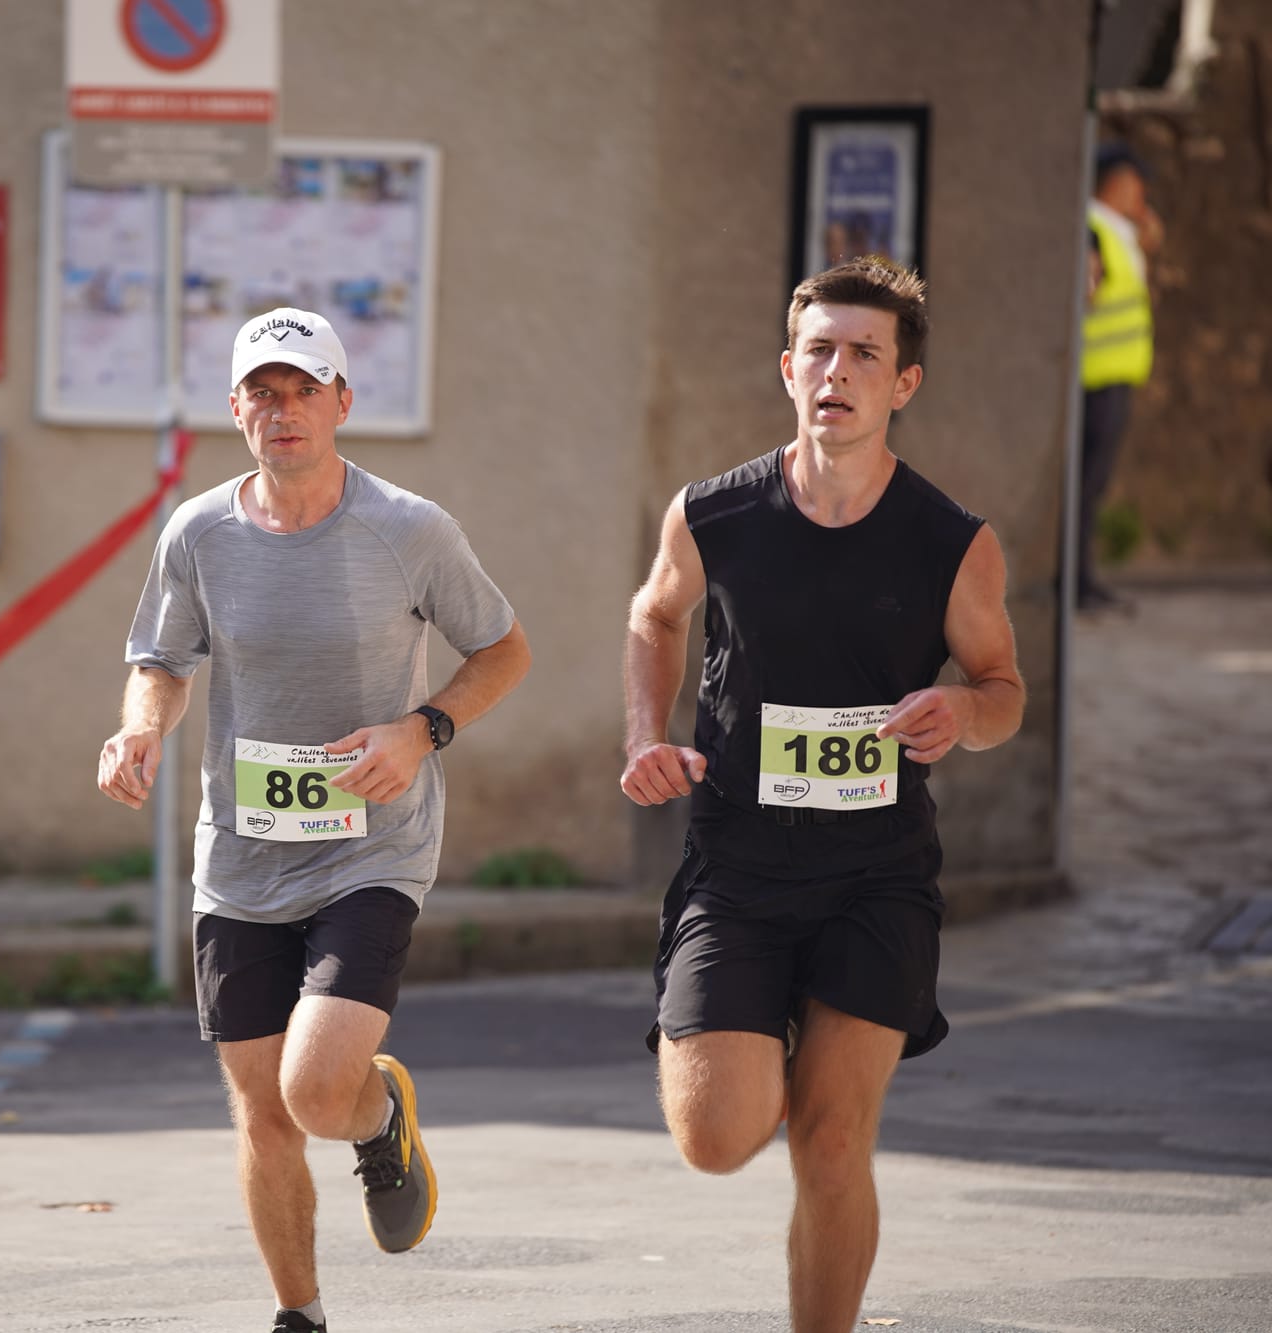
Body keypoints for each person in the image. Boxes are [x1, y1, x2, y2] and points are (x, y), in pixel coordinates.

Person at [97, 307, 530, 1333]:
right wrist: (139, 729)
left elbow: (503, 651)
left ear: (341, 402)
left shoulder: (409, 528)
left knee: (314, 1088)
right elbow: (160, 661)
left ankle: (376, 1115)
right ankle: (300, 1314)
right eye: (263, 392)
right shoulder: (198, 533)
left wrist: (421, 730)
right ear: (235, 407)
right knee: (263, 1113)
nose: (282, 410)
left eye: (303, 391)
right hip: (240, 857)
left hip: (369, 847)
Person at [619, 259, 1025, 1333]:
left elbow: (1002, 690)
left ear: (903, 383)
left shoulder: (951, 542)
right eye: (819, 350)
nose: (836, 371)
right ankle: (765, 1037)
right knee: (716, 1137)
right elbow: (654, 615)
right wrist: (644, 734)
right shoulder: (714, 514)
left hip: (875, 876)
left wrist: (961, 711)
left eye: (863, 354)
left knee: (833, 1141)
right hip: (738, 867)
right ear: (787, 368)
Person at [1078, 141, 1162, 612]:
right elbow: (1087, 292)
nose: (1142, 193)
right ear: (1119, 182)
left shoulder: (1115, 231)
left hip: (1112, 373)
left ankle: (1083, 579)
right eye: (1137, 182)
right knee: (1085, 486)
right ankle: (1077, 583)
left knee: (1093, 486)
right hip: (1096, 376)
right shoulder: (1092, 227)